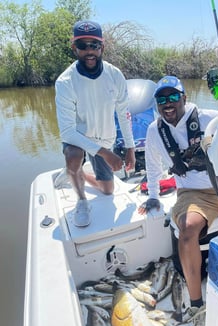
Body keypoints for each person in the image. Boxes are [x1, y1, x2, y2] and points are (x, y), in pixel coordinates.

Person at [138, 75, 218, 326]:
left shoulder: (211, 117)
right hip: (194, 194)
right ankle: (198, 306)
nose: (167, 104)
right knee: (187, 231)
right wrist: (152, 197)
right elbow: (152, 165)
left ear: (184, 98)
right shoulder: (154, 131)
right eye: (161, 100)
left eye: (173, 97)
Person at [55, 20, 136, 227]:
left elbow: (123, 113)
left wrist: (130, 148)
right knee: (73, 156)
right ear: (75, 48)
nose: (89, 51)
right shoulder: (65, 82)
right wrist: (105, 153)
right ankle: (81, 199)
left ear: (103, 47)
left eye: (95, 45)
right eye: (83, 45)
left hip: (105, 138)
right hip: (78, 138)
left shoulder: (115, 75)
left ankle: (77, 173)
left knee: (108, 190)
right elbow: (67, 132)